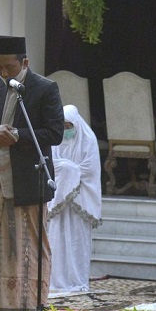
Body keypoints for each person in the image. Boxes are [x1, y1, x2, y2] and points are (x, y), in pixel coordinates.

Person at [0, 35, 64, 311]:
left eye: (9, 68)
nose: (3, 73)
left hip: (29, 181)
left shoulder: (45, 88)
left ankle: (33, 303)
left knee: (30, 243)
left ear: (24, 62)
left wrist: (17, 136)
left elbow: (55, 133)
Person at [47, 104, 103, 292]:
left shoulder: (88, 140)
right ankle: (56, 280)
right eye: (62, 126)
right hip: (58, 202)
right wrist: (68, 169)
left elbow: (89, 169)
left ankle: (76, 280)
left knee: (76, 243)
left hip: (80, 201)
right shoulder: (56, 141)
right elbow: (51, 166)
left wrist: (68, 170)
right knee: (57, 241)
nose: (66, 130)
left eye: (69, 126)